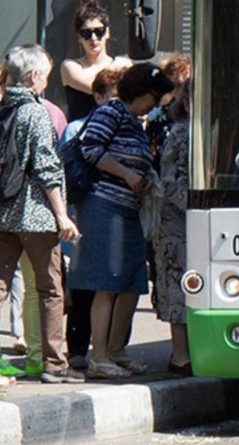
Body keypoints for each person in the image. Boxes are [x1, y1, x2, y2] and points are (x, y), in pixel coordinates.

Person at [68, 62, 175, 379]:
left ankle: (116, 351)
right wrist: (128, 174)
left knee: (131, 281)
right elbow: (91, 149)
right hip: (103, 206)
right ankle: (99, 355)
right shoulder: (111, 112)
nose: (155, 104)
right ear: (139, 91)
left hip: (128, 208)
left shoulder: (134, 121)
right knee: (107, 281)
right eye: (154, 97)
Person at [0, 44, 83, 384]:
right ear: (34, 77)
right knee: (50, 290)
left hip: (3, 215)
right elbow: (47, 169)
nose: (46, 83)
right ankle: (54, 364)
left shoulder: (3, 109)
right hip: (35, 216)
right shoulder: (35, 113)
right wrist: (62, 215)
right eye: (46, 77)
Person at [60, 66, 123, 370]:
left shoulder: (126, 126)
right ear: (97, 98)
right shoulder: (76, 128)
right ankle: (77, 348)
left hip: (113, 212)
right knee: (84, 281)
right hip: (84, 209)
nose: (116, 103)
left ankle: (109, 349)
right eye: (111, 97)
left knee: (109, 283)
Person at [154, 77, 191, 375]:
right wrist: (196, 206)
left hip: (193, 218)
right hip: (177, 223)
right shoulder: (180, 132)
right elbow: (170, 179)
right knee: (178, 286)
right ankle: (180, 356)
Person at [60, 0, 132, 122]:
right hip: (83, 135)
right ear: (79, 37)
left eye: (99, 32)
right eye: (86, 33)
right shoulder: (70, 66)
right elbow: (95, 87)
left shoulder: (124, 63)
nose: (93, 38)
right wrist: (115, 69)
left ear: (107, 32)